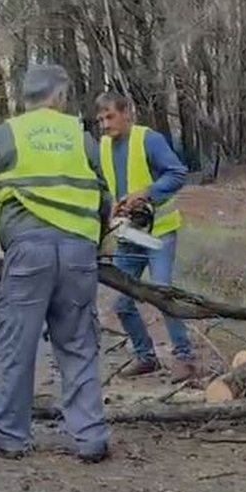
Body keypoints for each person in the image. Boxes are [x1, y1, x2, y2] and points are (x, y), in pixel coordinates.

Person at [0, 64, 111, 462]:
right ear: (60, 96)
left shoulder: (4, 135)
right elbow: (104, 195)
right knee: (78, 343)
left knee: (17, 347)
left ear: (25, 98)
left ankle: (9, 437)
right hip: (78, 251)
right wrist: (100, 236)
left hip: (27, 252)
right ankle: (90, 438)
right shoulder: (82, 137)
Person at [95, 91, 197, 383]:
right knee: (122, 303)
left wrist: (147, 192)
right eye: (100, 119)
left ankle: (185, 358)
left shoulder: (148, 139)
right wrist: (110, 204)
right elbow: (106, 185)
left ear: (126, 113)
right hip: (129, 234)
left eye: (110, 116)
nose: (104, 124)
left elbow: (178, 173)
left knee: (161, 292)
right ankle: (145, 357)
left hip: (159, 233)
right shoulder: (103, 146)